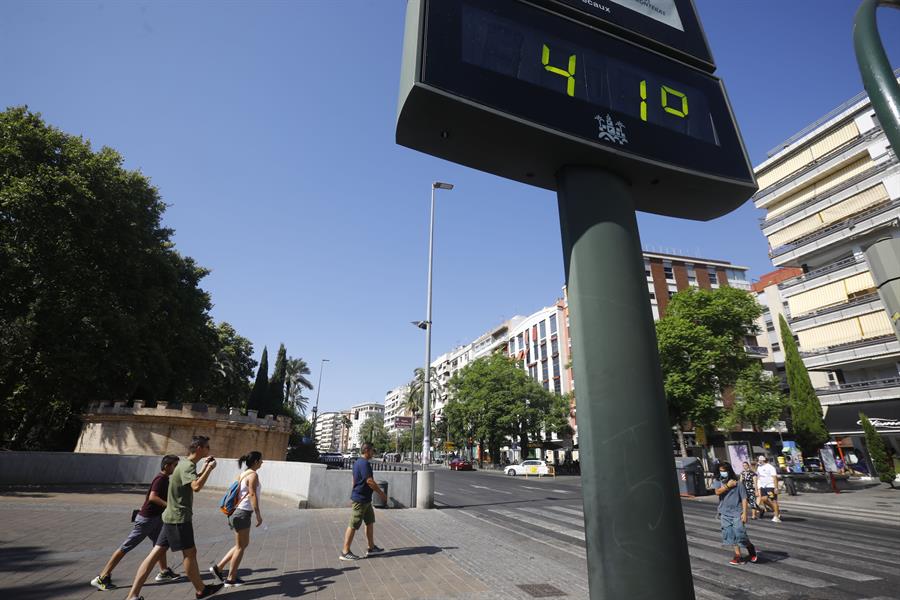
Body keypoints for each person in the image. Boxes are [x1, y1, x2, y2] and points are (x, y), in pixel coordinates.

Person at [123, 435, 223, 600]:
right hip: (179, 519)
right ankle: (201, 590)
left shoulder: (184, 464)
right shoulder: (188, 466)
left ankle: (132, 596)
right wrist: (210, 469)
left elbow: (190, 480)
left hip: (170, 517)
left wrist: (204, 468)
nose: (208, 450)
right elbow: (196, 486)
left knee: (154, 555)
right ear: (199, 448)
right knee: (190, 554)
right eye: (207, 447)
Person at [90, 455, 181, 591]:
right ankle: (102, 577)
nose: (176, 468)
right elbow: (152, 497)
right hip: (147, 520)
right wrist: (169, 506)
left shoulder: (163, 478)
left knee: (160, 545)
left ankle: (164, 572)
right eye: (174, 465)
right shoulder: (161, 479)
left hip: (155, 519)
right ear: (167, 466)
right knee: (126, 546)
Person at [209, 451, 264, 587]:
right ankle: (231, 578)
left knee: (242, 544)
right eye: (261, 460)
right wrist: (258, 514)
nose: (262, 462)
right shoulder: (253, 475)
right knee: (241, 546)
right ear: (256, 461)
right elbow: (252, 494)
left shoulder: (243, 474)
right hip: (243, 513)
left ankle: (219, 568)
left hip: (237, 513)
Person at [339, 442, 388, 561]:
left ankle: (371, 548)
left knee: (370, 522)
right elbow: (369, 481)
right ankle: (345, 551)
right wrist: (382, 494)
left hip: (365, 499)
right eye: (372, 450)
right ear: (366, 450)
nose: (373, 453)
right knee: (353, 524)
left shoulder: (357, 463)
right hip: (360, 500)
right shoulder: (364, 463)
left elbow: (354, 480)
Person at [713, 461, 758, 565]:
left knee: (740, 534)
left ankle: (750, 547)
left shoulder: (738, 483)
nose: (722, 473)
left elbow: (744, 499)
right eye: (720, 471)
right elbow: (717, 492)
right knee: (730, 534)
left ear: (729, 471)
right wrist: (727, 486)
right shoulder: (718, 480)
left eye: (724, 471)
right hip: (724, 512)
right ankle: (737, 555)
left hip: (737, 512)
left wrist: (745, 513)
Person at [755, 455, 782, 522]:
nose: (758, 461)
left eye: (759, 460)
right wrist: (757, 486)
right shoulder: (759, 467)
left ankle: (776, 516)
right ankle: (776, 510)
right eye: (758, 460)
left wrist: (776, 488)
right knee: (763, 499)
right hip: (763, 486)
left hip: (770, 486)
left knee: (773, 500)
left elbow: (774, 477)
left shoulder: (770, 467)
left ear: (763, 460)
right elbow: (758, 476)